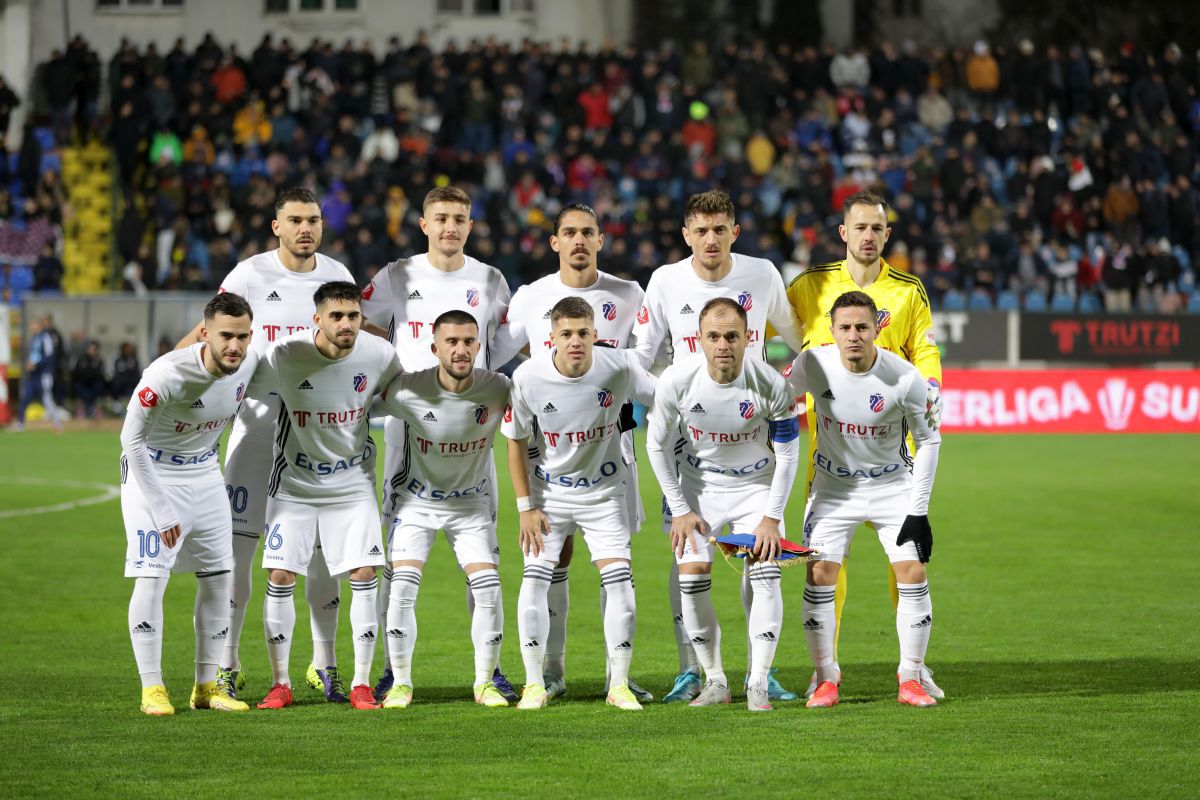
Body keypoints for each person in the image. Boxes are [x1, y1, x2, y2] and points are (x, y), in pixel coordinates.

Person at [175, 187, 356, 704]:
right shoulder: (249, 276)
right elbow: (210, 332)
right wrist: (170, 371)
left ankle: (325, 664)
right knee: (235, 556)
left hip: (317, 439)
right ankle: (227, 665)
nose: (306, 228)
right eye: (295, 219)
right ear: (276, 225)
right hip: (254, 434)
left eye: (314, 220)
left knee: (321, 559)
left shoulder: (336, 275)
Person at [632, 189, 803, 704]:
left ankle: (760, 672)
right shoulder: (665, 281)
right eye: (700, 230)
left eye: (719, 228)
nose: (710, 238)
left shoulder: (762, 274)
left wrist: (788, 395)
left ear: (735, 231)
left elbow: (800, 342)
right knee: (688, 563)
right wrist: (671, 402)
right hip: (692, 457)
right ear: (687, 235)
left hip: (752, 452)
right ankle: (696, 670)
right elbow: (641, 357)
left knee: (762, 561)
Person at [784, 190, 944, 700]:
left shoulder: (908, 291)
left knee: (909, 561)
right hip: (829, 445)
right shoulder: (810, 287)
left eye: (878, 228)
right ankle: (824, 668)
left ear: (886, 234)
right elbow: (759, 336)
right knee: (825, 566)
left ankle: (913, 668)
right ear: (844, 232)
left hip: (890, 439)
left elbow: (925, 350)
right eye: (860, 227)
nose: (869, 236)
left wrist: (930, 393)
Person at [360, 185, 515, 702]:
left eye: (460, 218)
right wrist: (390, 369)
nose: (451, 227)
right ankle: (390, 667)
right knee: (397, 558)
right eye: (441, 218)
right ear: (423, 224)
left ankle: (489, 671)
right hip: (410, 420)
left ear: (471, 225)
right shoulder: (396, 275)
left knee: (483, 553)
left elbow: (507, 341)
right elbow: (361, 322)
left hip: (472, 423)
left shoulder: (490, 279)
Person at [495, 202, 651, 703]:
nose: (579, 240)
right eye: (569, 232)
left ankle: (617, 680)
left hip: (611, 468)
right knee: (548, 569)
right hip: (551, 480)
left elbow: (656, 375)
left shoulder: (629, 298)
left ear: (601, 239)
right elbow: (497, 355)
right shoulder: (531, 308)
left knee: (618, 576)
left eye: (589, 232)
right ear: (555, 241)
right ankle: (545, 676)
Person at [254, 281, 401, 711]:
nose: (346, 325)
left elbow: (402, 397)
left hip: (352, 483)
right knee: (280, 576)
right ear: (316, 319)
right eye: (335, 316)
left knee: (363, 574)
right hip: (294, 486)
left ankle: (359, 683)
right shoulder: (284, 356)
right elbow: (243, 392)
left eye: (353, 316)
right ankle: (281, 683)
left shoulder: (379, 354)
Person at [120, 292, 259, 715]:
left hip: (205, 473)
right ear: (205, 333)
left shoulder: (249, 364)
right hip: (153, 475)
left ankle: (207, 687)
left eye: (242, 336)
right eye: (225, 337)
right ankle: (152, 688)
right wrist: (162, 511)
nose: (234, 346)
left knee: (221, 577)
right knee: (152, 578)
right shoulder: (167, 373)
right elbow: (131, 440)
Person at [373, 310, 512, 709]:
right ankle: (400, 682)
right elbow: (359, 408)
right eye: (451, 342)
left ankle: (484, 682)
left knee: (487, 587)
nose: (461, 349)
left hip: (470, 505)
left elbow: (531, 422)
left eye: (468, 341)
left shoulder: (497, 388)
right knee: (401, 587)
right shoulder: (407, 390)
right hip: (416, 503)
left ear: (479, 347)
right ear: (435, 347)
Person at [15, 317, 65, 431]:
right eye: (30, 325)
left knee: (46, 399)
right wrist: (29, 365)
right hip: (34, 375)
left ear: (39, 326)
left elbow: (49, 357)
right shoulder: (34, 339)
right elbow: (34, 356)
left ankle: (57, 424)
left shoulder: (45, 338)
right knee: (25, 397)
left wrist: (36, 364)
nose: (31, 328)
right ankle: (20, 424)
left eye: (34, 325)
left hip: (44, 374)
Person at [71, 339, 107, 418]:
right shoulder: (81, 359)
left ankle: (91, 409)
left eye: (94, 349)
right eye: (90, 348)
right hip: (82, 383)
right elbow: (76, 373)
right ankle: (87, 409)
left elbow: (100, 374)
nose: (91, 351)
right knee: (80, 387)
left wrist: (90, 372)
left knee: (98, 386)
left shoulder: (98, 361)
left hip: (94, 384)